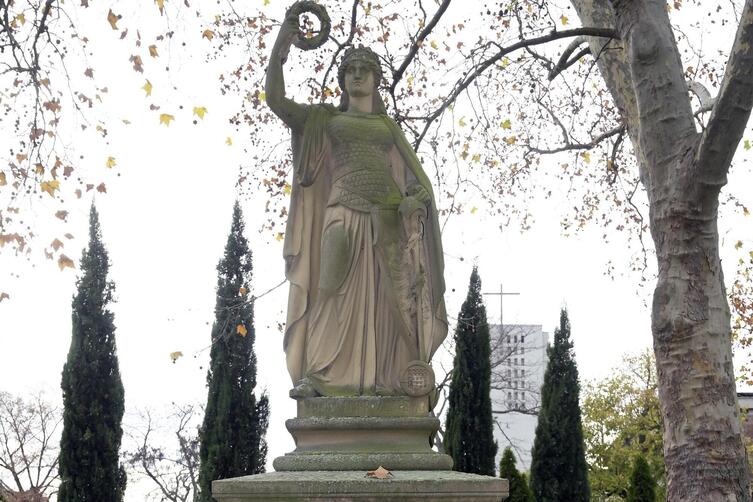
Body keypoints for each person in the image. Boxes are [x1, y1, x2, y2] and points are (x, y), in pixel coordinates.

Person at [266, 9, 447, 397]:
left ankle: (388, 381)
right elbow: (276, 100)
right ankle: (317, 375)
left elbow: (416, 181)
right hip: (342, 212)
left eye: (365, 69)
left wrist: (414, 198)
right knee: (328, 287)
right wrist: (282, 47)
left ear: (377, 79)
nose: (358, 74)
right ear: (343, 79)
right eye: (351, 70)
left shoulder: (387, 127)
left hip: (386, 218)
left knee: (393, 303)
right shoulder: (325, 121)